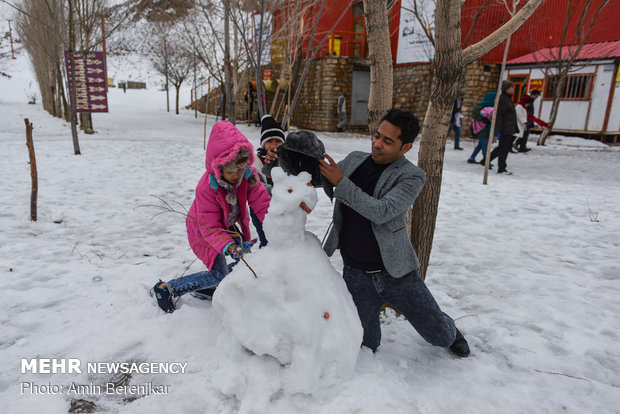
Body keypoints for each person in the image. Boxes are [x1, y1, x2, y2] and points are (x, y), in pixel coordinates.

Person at [319, 109, 470, 358]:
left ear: (406, 147)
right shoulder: (355, 159)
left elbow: (382, 211)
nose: (377, 144)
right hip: (355, 274)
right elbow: (321, 177)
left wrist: (341, 183)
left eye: (388, 141)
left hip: (396, 274)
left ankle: (449, 327)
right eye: (377, 136)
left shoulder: (411, 176)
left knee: (439, 336)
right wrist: (288, 158)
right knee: (367, 345)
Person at [152, 121, 271, 313]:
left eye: (241, 168)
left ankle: (210, 288)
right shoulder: (207, 188)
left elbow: (262, 202)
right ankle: (167, 288)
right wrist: (230, 246)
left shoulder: (247, 175)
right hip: (202, 229)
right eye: (232, 170)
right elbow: (210, 227)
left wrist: (279, 226)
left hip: (227, 225)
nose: (237, 174)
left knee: (242, 261)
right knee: (218, 274)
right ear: (219, 166)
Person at [251, 114, 285, 247]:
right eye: (270, 141)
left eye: (278, 141)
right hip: (260, 208)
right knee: (267, 242)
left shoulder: (287, 161)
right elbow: (257, 186)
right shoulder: (256, 161)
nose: (274, 145)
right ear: (263, 143)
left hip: (283, 207)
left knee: (283, 241)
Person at [489, 80, 518, 174]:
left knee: (503, 147)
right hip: (505, 128)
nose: (513, 89)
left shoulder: (508, 99)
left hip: (509, 127)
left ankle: (486, 160)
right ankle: (501, 168)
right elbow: (499, 115)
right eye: (512, 87)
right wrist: (498, 129)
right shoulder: (502, 99)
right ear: (507, 89)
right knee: (503, 149)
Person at [467, 91, 496, 167]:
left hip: (485, 128)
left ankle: (472, 157)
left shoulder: (489, 106)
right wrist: (483, 118)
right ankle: (486, 161)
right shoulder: (481, 106)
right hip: (481, 128)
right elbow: (475, 115)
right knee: (484, 145)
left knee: (480, 144)